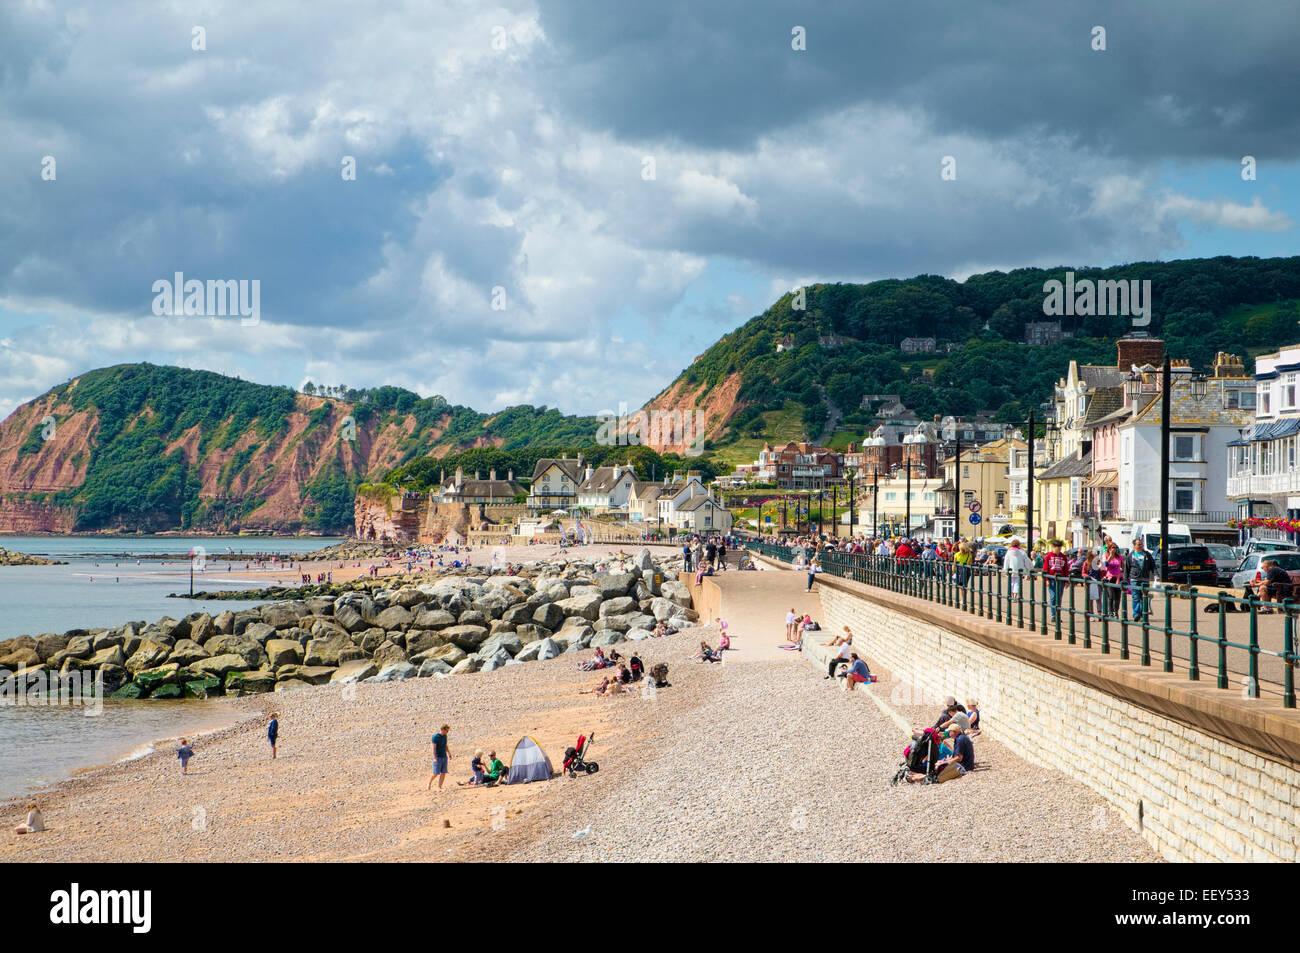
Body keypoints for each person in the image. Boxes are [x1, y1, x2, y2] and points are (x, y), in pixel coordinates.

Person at [1124, 538, 1156, 621]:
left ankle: (1141, 615)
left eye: (1142, 544)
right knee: (1136, 597)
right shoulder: (1130, 556)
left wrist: (1156, 575)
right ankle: (1136, 614)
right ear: (1134, 545)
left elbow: (1153, 565)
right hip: (1134, 579)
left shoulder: (1147, 554)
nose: (1141, 545)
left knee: (1143, 598)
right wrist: (1125, 580)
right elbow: (1126, 569)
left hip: (1145, 579)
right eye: (1139, 544)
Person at [1043, 540, 1070, 621]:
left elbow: (1066, 569)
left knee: (1059, 597)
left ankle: (1057, 615)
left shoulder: (1063, 557)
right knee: (1053, 597)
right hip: (1051, 579)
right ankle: (1053, 615)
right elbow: (1045, 569)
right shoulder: (1048, 556)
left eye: (1060, 548)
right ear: (1053, 548)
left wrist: (1067, 581)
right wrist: (1046, 579)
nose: (1058, 550)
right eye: (1057, 548)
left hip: (1060, 579)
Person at [427, 724, 451, 791]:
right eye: (446, 731)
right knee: (436, 773)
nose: (447, 732)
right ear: (443, 729)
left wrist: (449, 753)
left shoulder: (445, 736)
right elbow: (433, 748)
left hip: (444, 756)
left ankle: (440, 787)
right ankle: (429, 783)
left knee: (443, 772)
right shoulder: (435, 737)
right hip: (438, 757)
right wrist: (434, 758)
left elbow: (446, 745)